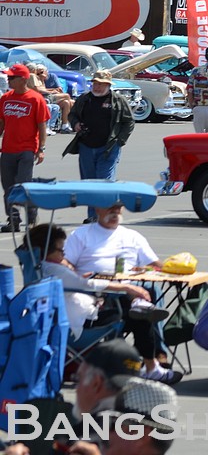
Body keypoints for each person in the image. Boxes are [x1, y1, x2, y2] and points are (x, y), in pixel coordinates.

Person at [64, 203, 177, 382]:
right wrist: (73, 272)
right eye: (110, 207)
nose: (115, 211)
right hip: (94, 296)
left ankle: (156, 354)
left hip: (128, 290)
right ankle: (153, 362)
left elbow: (155, 264)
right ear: (96, 208)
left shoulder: (132, 236)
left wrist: (178, 268)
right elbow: (65, 265)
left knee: (149, 292)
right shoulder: (81, 235)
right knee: (140, 306)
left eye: (119, 207)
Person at [27, 224, 156, 339]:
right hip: (80, 319)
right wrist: (127, 287)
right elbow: (87, 285)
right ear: (46, 251)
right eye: (60, 250)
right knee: (140, 317)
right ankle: (151, 363)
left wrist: (79, 279)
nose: (63, 254)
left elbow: (77, 283)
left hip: (63, 316)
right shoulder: (54, 269)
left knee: (132, 310)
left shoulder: (40, 268)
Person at [69, 71, 136, 219]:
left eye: (101, 84)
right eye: (95, 83)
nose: (97, 87)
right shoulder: (84, 99)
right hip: (86, 146)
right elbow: (72, 114)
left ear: (108, 85)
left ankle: (104, 216)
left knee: (104, 184)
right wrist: (75, 124)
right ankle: (92, 216)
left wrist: (119, 141)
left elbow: (129, 122)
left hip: (108, 148)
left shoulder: (118, 100)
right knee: (89, 184)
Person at [0, 64, 49, 232]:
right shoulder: (5, 98)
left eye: (11, 78)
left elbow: (42, 126)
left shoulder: (35, 99)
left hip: (27, 149)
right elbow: (1, 123)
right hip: (7, 149)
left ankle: (31, 214)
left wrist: (41, 148)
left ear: (23, 79)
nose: (8, 80)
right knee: (8, 187)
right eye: (8, 77)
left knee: (23, 184)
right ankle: (13, 219)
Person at [29, 65, 73, 134]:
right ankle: (69, 122)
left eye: (42, 72)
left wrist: (52, 90)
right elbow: (39, 90)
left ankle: (64, 125)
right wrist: (52, 91)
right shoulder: (35, 78)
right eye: (38, 73)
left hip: (49, 96)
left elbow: (56, 89)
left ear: (46, 71)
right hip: (45, 98)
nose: (40, 74)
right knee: (67, 96)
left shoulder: (50, 76)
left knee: (66, 102)